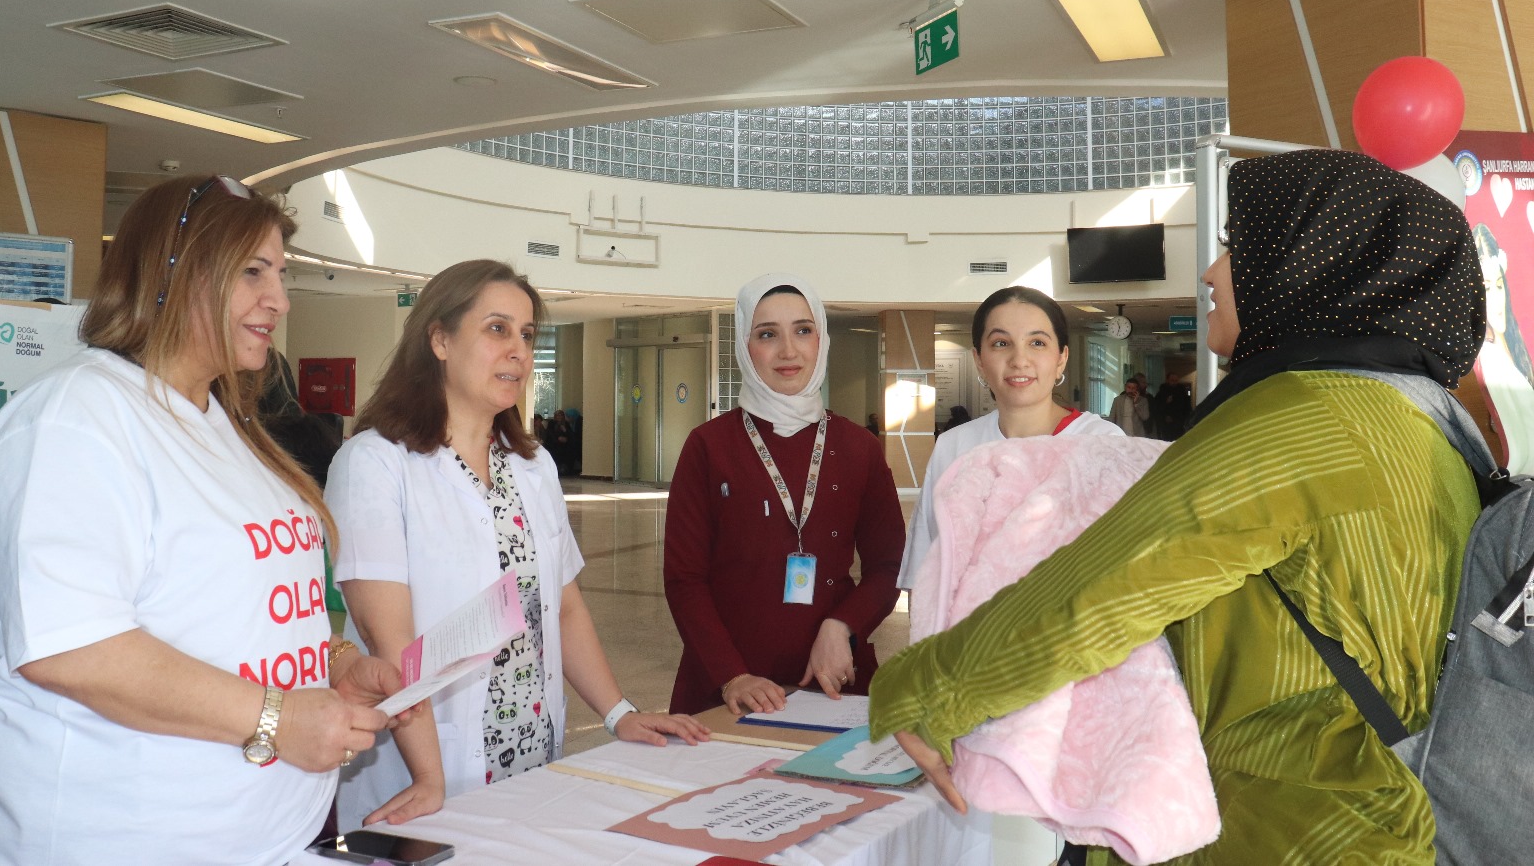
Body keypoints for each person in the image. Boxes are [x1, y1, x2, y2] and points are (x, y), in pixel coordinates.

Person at [871, 149, 1488, 864]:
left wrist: (924, 691)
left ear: (1307, 267)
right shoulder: (1426, 424)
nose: (1211, 272)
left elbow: (1105, 584)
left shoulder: (1301, 417)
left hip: (1275, 822)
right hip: (1368, 817)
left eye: (1235, 248)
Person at [0, 175, 405, 866]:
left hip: (259, 843)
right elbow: (75, 649)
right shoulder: (77, 421)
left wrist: (332, 663)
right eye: (252, 272)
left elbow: (225, 601)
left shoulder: (221, 420)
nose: (278, 300)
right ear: (172, 271)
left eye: (281, 274)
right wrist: (276, 719)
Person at [328, 260, 709, 828]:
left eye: (528, 335)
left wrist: (617, 713)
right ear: (438, 338)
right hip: (425, 770)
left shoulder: (532, 466)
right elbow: (391, 642)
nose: (519, 352)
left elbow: (565, 606)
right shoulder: (375, 463)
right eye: (497, 329)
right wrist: (430, 776)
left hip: (533, 757)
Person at [664, 273, 905, 716]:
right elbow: (685, 580)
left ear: (821, 340)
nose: (788, 350)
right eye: (767, 334)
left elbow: (889, 566)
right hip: (725, 684)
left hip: (832, 676)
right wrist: (731, 675)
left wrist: (843, 626)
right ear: (744, 344)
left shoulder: (859, 448)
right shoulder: (709, 445)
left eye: (803, 330)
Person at [899, 286, 1122, 589]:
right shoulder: (954, 446)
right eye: (1001, 343)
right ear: (979, 358)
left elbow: (1124, 570)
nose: (1020, 359)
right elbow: (926, 570)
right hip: (971, 633)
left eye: (1037, 343)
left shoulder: (1102, 442)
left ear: (1061, 358)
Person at [1473, 222, 1534, 469]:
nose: (1496, 299)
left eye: (1499, 285)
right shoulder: (1489, 357)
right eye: (1486, 288)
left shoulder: (1512, 344)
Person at [1152, 371, 1192, 441]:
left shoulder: (1182, 393)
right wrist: (1165, 403)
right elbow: (1156, 409)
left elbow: (1187, 409)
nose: (1174, 382)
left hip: (1179, 425)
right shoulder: (1161, 393)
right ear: (1167, 380)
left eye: (1176, 380)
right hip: (1165, 426)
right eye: (1172, 380)